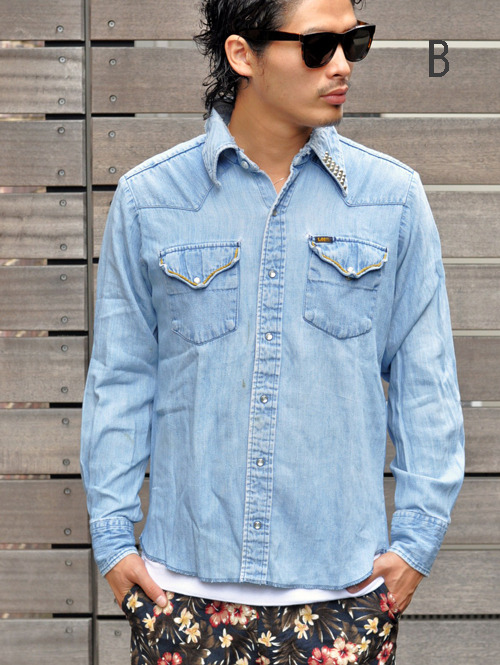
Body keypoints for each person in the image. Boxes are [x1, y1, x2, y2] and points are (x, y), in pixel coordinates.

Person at [80, 0, 465, 663]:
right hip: (182, 598)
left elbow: (426, 386)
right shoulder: (150, 201)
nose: (342, 66)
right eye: (318, 47)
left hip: (343, 601)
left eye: (354, 43)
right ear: (243, 54)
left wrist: (415, 545)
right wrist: (113, 541)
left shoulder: (393, 200)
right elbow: (120, 379)